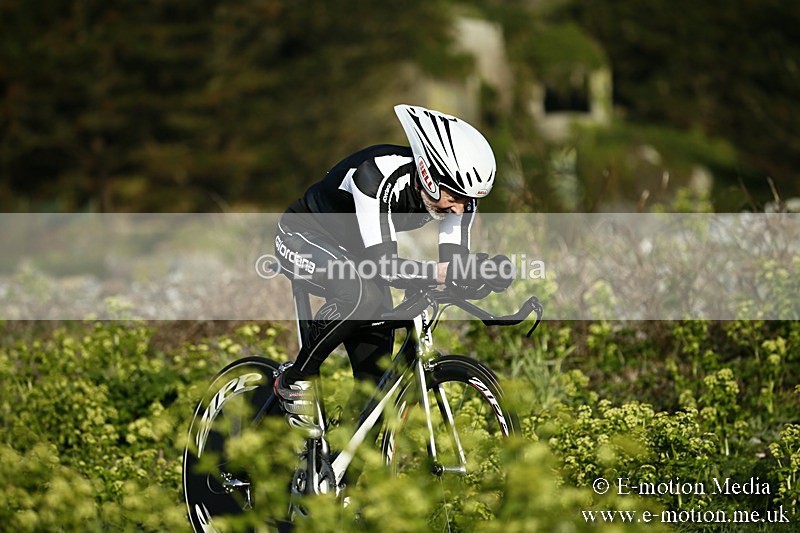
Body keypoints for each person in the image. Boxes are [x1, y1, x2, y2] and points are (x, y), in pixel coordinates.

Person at [272, 104, 513, 434]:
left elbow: (452, 268)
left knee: (375, 390)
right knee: (360, 296)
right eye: (455, 196)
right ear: (428, 175)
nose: (460, 208)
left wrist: (481, 275)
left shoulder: (459, 199)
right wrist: (442, 273)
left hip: (361, 254)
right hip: (304, 235)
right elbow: (385, 267)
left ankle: (342, 454)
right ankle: (295, 379)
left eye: (469, 199)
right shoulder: (375, 176)